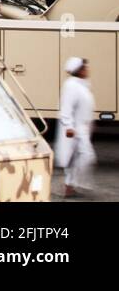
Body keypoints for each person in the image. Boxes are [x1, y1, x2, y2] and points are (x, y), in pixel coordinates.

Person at [56, 56, 96, 198]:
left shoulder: (81, 84)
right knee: (84, 156)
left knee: (76, 158)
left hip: (82, 128)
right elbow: (66, 107)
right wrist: (68, 126)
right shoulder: (72, 85)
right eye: (84, 67)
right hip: (74, 129)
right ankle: (72, 185)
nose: (87, 70)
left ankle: (70, 186)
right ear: (78, 70)